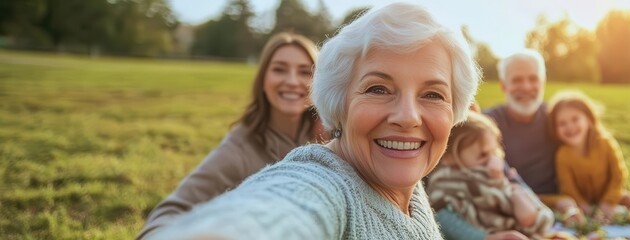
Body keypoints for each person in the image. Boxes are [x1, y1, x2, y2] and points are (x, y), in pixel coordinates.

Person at [145, 3, 480, 239]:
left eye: (433, 94)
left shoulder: (400, 168)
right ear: (340, 101)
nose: (408, 117)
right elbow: (281, 208)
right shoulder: (324, 183)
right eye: (378, 88)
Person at [137, 32, 326, 239]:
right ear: (263, 79)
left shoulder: (330, 134)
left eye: (305, 72)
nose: (292, 81)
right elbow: (168, 213)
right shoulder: (240, 149)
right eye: (279, 69)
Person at [427, 112, 554, 239]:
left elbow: (534, 216)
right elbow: (443, 220)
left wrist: (506, 185)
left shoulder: (504, 173)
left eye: (494, 151)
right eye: (482, 155)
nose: (493, 161)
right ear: (449, 158)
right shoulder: (445, 183)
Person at [546, 90, 630, 225]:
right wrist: (584, 207)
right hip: (582, 203)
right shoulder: (563, 155)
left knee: (628, 198)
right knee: (570, 209)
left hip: (607, 197)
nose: (570, 127)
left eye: (575, 119)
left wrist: (607, 203)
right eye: (562, 123)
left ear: (588, 119)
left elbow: (618, 175)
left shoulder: (605, 143)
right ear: (555, 129)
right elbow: (567, 187)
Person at [483, 49, 559, 197]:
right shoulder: (487, 123)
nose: (526, 87)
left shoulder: (558, 118)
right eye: (517, 80)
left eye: (533, 79)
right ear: (504, 86)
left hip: (556, 206)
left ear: (543, 83)